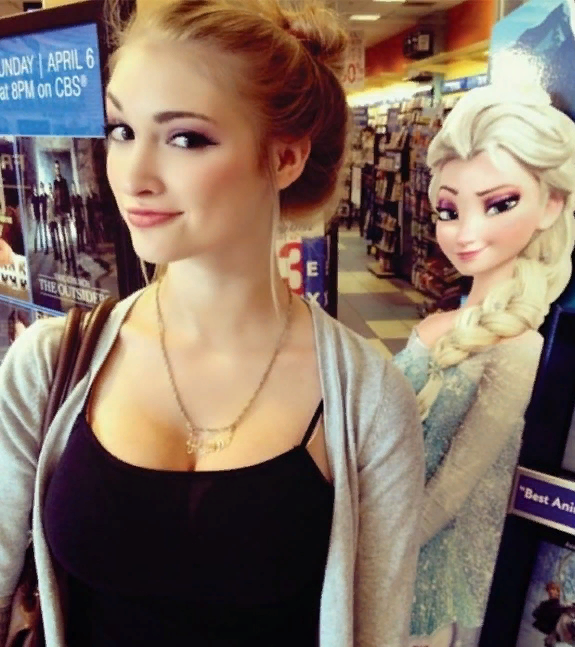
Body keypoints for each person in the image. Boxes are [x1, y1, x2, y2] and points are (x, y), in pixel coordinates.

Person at [0, 1, 424, 646]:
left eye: (185, 138)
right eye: (121, 130)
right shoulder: (52, 363)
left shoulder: (366, 398)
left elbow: (377, 628)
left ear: (284, 158)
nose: (133, 175)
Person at [393, 85, 575, 647]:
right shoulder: (441, 322)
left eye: (499, 204)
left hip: (433, 568)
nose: (465, 232)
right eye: (449, 211)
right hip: (392, 541)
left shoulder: (517, 348)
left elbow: (457, 483)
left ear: (551, 204)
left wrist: (381, 548)